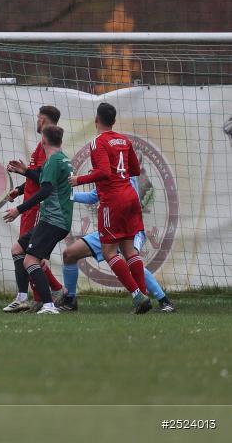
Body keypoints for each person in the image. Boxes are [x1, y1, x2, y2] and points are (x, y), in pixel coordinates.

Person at [68, 102, 151, 314]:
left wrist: (79, 179)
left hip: (113, 201)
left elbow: (104, 172)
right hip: (131, 198)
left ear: (97, 119)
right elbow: (134, 169)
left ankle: (136, 294)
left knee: (108, 251)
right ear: (113, 121)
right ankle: (143, 295)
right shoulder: (124, 140)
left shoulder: (98, 143)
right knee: (129, 249)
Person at [59, 176, 175, 312]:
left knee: (130, 260)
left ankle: (164, 301)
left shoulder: (123, 172)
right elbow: (93, 196)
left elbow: (125, 198)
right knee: (70, 254)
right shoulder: (108, 167)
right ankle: (70, 300)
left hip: (130, 229)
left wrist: (82, 179)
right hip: (110, 228)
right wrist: (67, 194)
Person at [3, 125, 74, 315]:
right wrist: (25, 171)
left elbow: (45, 190)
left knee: (30, 260)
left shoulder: (53, 161)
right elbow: (42, 177)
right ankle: (22, 297)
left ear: (43, 140)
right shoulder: (62, 159)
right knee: (18, 249)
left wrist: (19, 209)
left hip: (53, 221)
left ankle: (49, 304)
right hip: (56, 220)